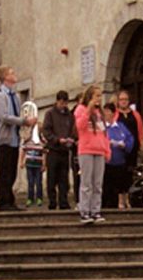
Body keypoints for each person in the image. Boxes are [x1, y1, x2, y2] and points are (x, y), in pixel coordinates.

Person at [0, 67, 24, 211]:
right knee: (5, 171)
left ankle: (10, 200)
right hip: (4, 138)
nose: (14, 75)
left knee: (12, 172)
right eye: (11, 73)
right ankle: (3, 202)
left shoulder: (15, 96)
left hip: (14, 138)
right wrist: (23, 121)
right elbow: (4, 116)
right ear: (5, 77)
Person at [73, 86, 108, 224]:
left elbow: (104, 133)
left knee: (97, 183)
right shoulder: (80, 109)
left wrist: (107, 150)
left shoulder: (100, 113)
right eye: (96, 96)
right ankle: (85, 212)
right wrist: (88, 109)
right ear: (90, 97)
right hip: (86, 150)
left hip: (99, 150)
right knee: (86, 182)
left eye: (100, 96)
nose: (99, 99)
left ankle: (95, 210)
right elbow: (80, 126)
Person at [41, 91, 77, 211]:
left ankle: (63, 201)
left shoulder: (70, 116)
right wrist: (56, 139)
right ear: (57, 101)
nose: (63, 105)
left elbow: (73, 130)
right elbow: (46, 131)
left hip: (65, 150)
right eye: (61, 102)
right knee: (52, 177)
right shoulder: (50, 114)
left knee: (64, 178)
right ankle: (52, 201)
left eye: (65, 103)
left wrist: (71, 140)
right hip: (53, 150)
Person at [20, 100, 46, 207]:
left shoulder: (41, 142)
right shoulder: (27, 140)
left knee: (38, 182)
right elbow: (23, 150)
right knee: (30, 182)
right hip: (29, 163)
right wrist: (21, 161)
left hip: (38, 164)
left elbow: (44, 152)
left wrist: (44, 164)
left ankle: (39, 198)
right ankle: (30, 198)